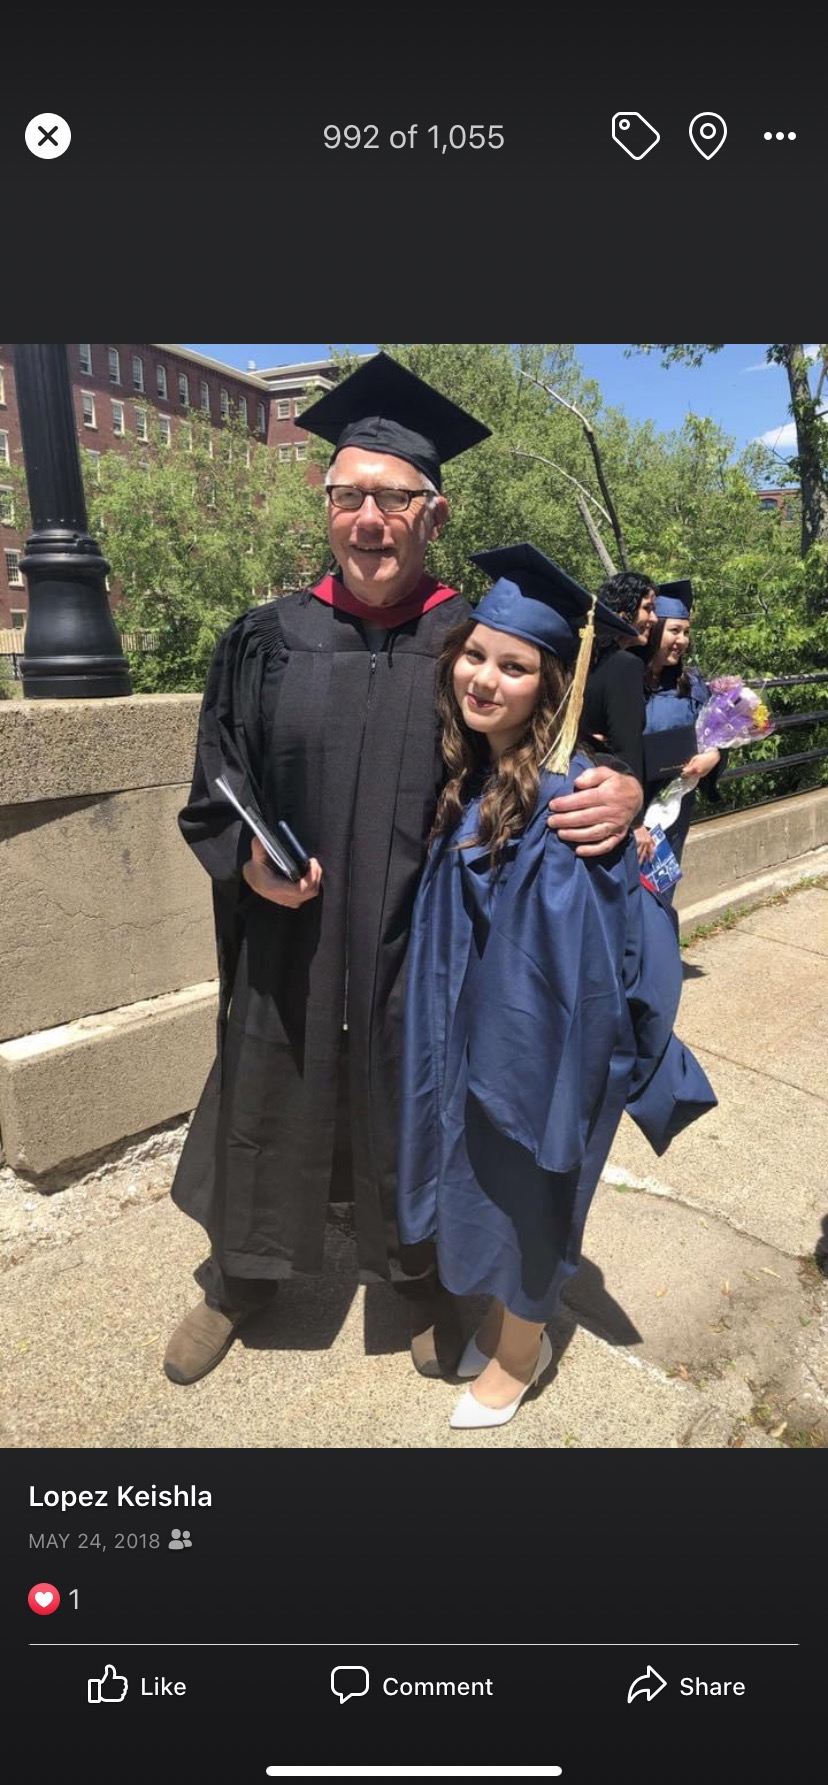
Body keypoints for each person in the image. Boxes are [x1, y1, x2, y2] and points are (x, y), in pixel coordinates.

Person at [163, 355, 644, 1388]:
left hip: (418, 947)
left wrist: (628, 787)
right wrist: (246, 862)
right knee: (268, 1086)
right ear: (327, 504)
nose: (368, 520)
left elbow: (560, 737)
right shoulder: (265, 640)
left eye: (393, 499)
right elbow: (216, 783)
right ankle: (242, 1276)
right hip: (290, 940)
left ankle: (418, 1276)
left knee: (413, 1101)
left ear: (436, 513)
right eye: (349, 496)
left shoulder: (469, 643)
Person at [397, 544, 717, 1430]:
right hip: (469, 1031)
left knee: (531, 1190)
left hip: (529, 1048)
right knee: (487, 1187)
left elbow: (566, 971)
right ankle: (504, 1322)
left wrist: (511, 1069)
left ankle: (520, 1351)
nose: (484, 679)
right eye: (475, 655)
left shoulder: (564, 803)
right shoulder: (475, 770)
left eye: (515, 666)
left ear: (552, 685)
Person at [640, 580, 723, 872]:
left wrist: (713, 757)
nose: (682, 640)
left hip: (674, 807)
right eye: (675, 630)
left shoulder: (691, 684)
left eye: (686, 632)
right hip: (630, 807)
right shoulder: (624, 680)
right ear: (654, 629)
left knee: (659, 888)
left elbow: (714, 738)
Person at [580, 570, 657, 865]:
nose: (654, 619)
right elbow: (628, 747)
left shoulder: (583, 656)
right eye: (647, 608)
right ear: (624, 612)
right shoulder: (625, 666)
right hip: (610, 799)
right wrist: (636, 822)